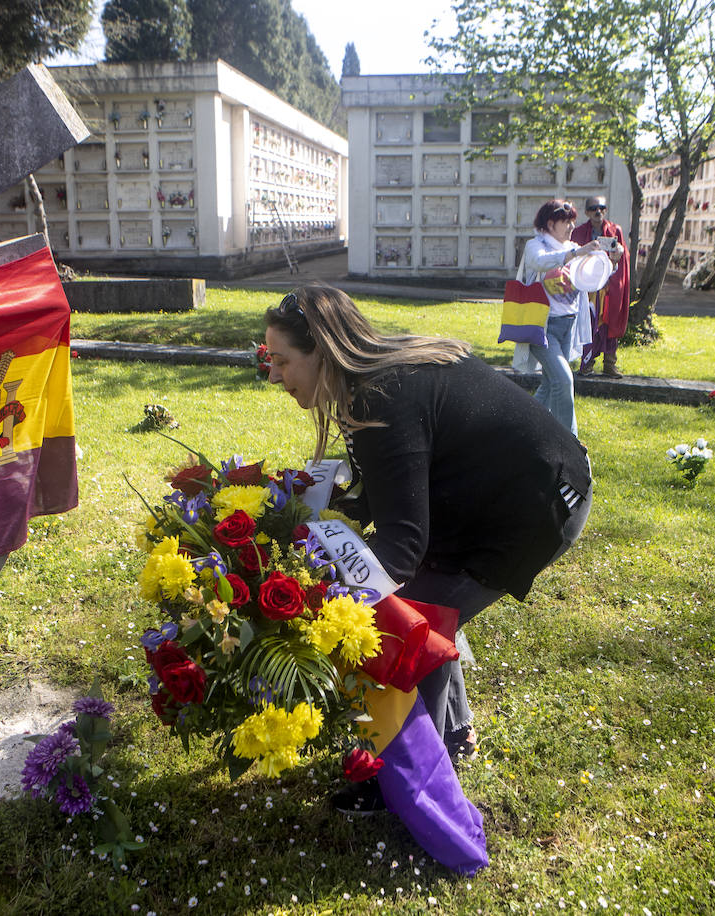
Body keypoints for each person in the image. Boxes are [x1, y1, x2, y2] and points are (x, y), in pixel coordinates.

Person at [264, 286, 593, 811]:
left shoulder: (380, 399)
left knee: (413, 615)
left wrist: (324, 598)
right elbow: (395, 484)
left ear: (322, 353)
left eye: (282, 361)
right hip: (497, 493)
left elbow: (403, 548)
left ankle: (412, 778)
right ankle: (454, 734)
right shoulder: (372, 383)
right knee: (425, 600)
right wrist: (324, 509)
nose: (273, 375)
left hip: (535, 507)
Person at [519, 200, 609, 435]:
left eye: (573, 222)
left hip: (568, 325)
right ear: (550, 224)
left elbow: (593, 275)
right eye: (566, 222)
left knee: (551, 384)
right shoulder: (536, 245)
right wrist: (575, 253)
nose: (571, 227)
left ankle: (522, 430)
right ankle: (570, 442)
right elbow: (540, 262)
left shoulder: (573, 246)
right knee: (564, 380)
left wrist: (610, 257)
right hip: (543, 327)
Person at [571, 196, 630, 378]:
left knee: (610, 322)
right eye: (593, 208)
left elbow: (623, 260)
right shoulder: (579, 232)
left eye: (602, 208)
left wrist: (617, 257)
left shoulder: (615, 230)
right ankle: (587, 362)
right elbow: (574, 259)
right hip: (588, 287)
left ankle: (610, 364)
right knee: (589, 323)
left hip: (609, 286)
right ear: (587, 212)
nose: (598, 211)